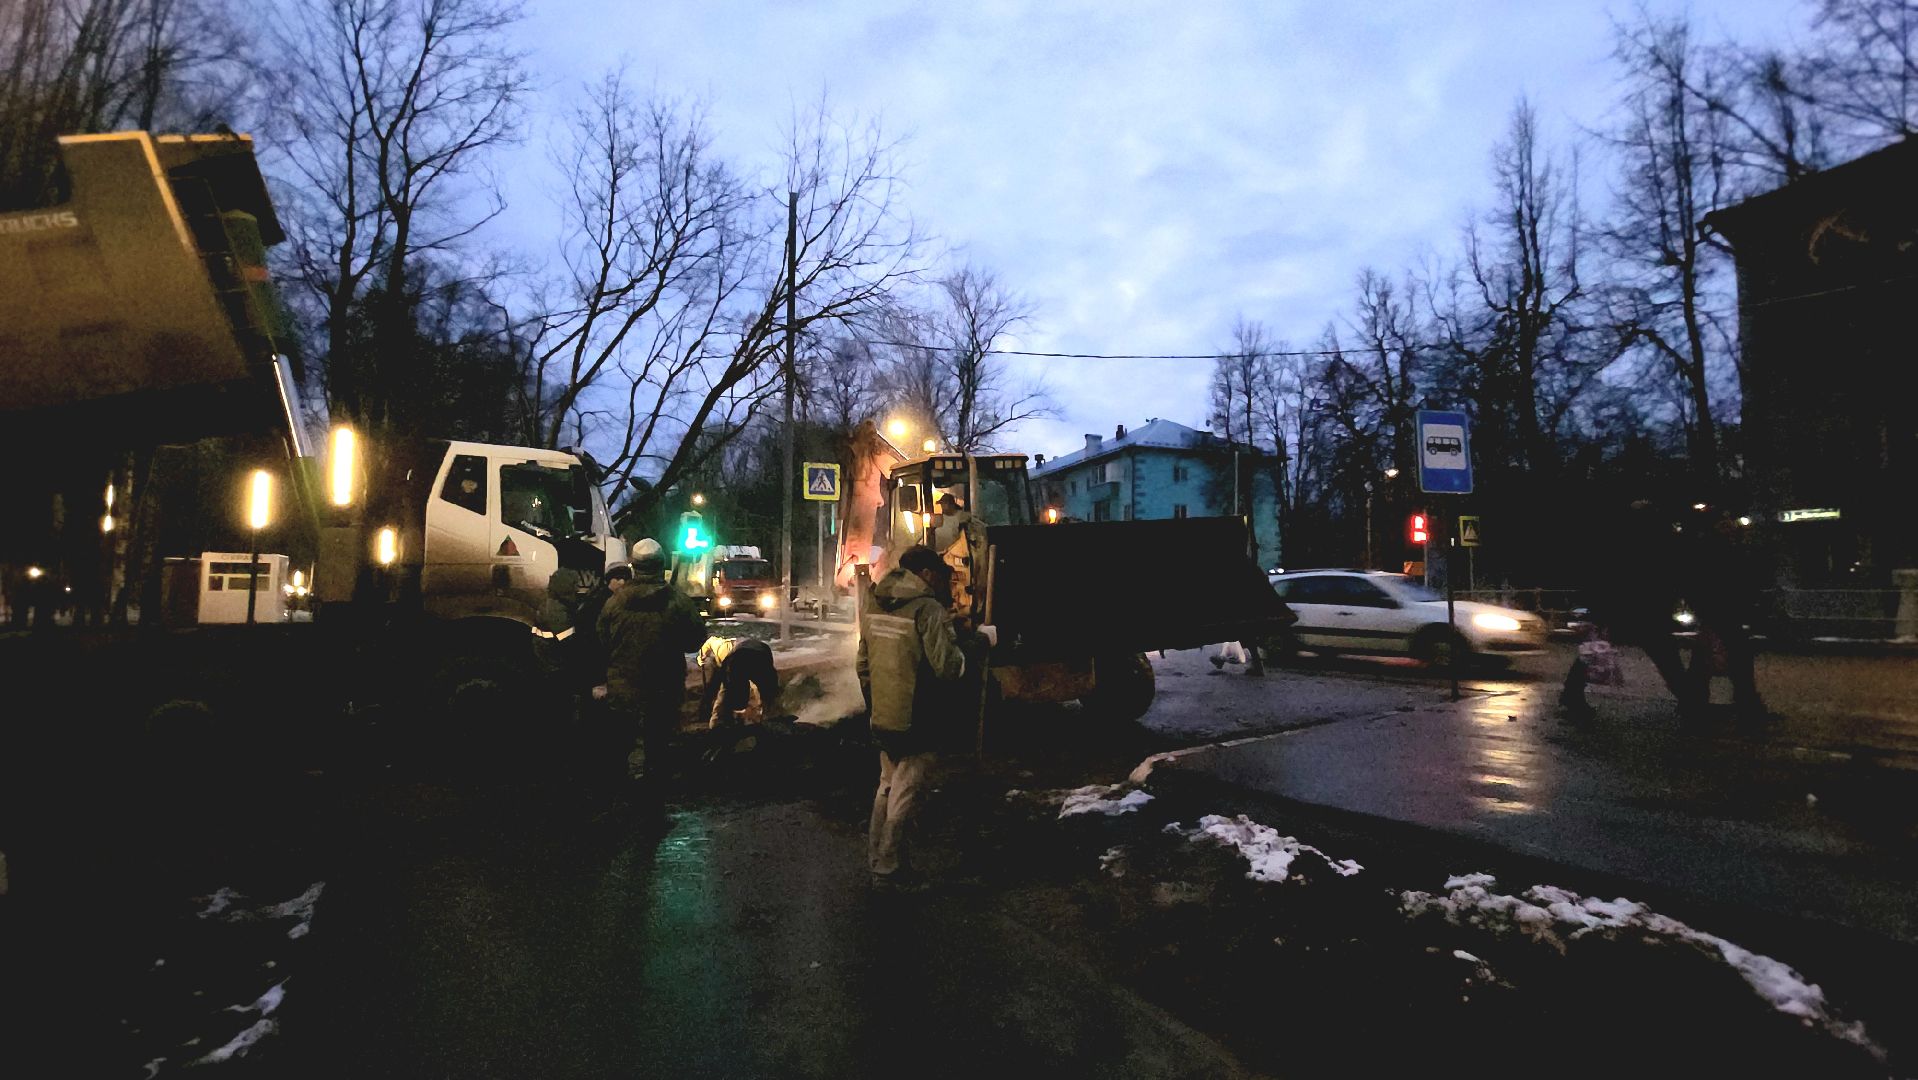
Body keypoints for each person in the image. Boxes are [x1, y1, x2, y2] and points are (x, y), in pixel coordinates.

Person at [857, 545, 968, 892]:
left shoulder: (874, 603)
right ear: (925, 575)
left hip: (883, 717)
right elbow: (947, 668)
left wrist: (877, 703)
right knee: (905, 794)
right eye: (936, 576)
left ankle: (878, 859)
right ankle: (887, 871)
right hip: (918, 718)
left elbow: (862, 665)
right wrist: (972, 646)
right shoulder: (928, 609)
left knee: (886, 787)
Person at [1559, 500, 1701, 723]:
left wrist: (1599, 610)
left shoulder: (1619, 542)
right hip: (1648, 611)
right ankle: (1689, 701)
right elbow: (1672, 576)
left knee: (1596, 652)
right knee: (1666, 657)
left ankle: (1571, 693)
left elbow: (1605, 577)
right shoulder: (1661, 542)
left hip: (1621, 610)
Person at [597, 539, 706, 798]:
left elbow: (602, 640)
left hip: (624, 687)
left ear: (633, 566)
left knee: (621, 744)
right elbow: (695, 640)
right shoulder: (678, 602)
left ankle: (618, 796)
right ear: (661, 566)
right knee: (658, 744)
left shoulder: (614, 603)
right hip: (664, 687)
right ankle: (654, 798)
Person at [696, 634, 781, 730]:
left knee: (729, 696)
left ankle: (719, 724)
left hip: (748, 657)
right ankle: (767, 717)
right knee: (767, 696)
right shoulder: (721, 651)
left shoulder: (729, 663)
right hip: (758, 651)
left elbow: (724, 692)